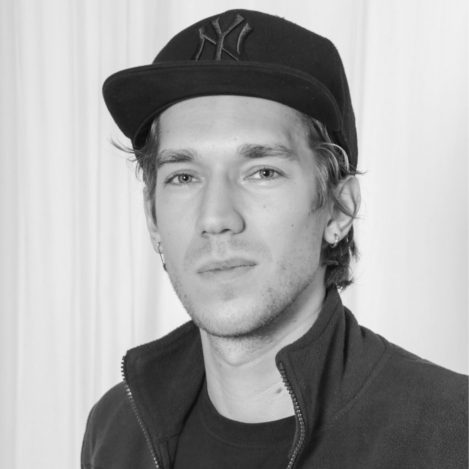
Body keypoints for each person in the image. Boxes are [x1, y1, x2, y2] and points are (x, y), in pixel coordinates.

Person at [81, 9, 467, 469]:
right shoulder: (116, 431)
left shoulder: (450, 433)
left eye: (262, 172)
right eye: (183, 176)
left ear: (339, 209)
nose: (216, 217)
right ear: (152, 217)